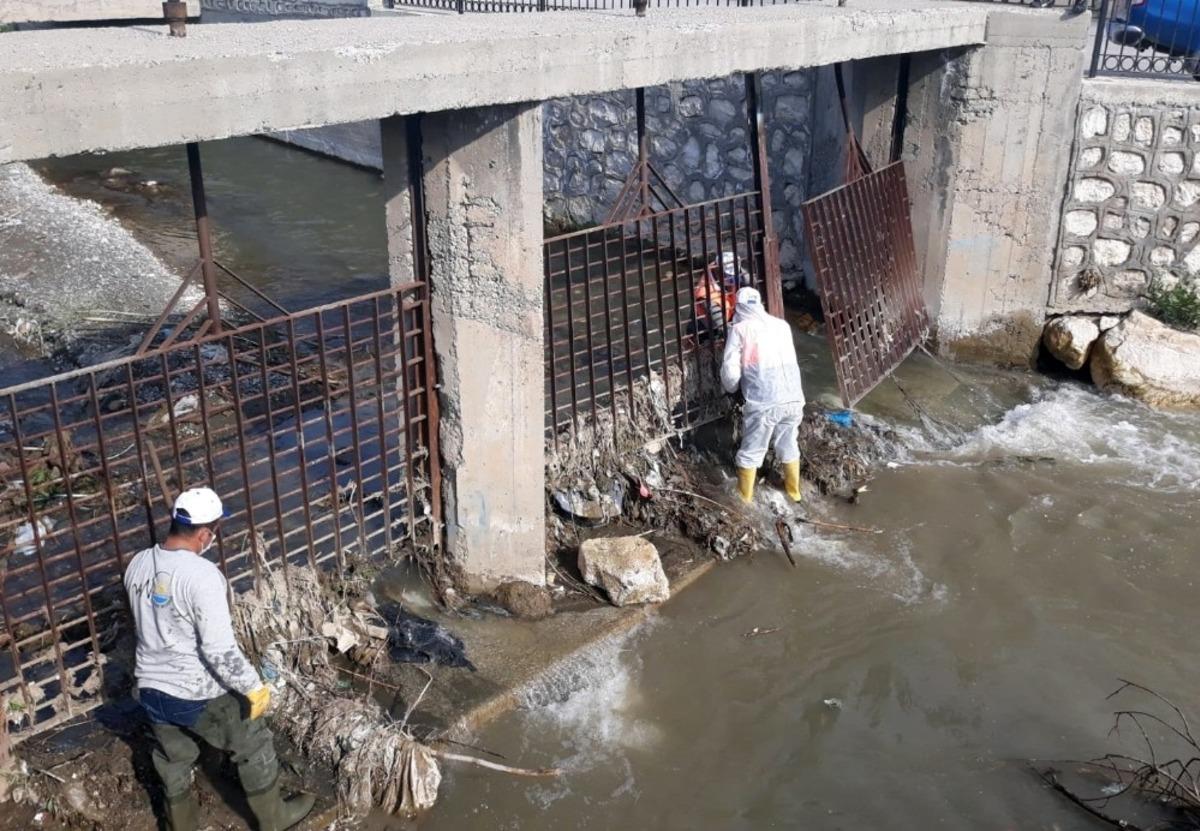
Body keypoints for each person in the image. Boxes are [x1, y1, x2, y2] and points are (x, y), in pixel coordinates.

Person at [124, 487, 315, 831]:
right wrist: (254, 688)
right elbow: (219, 651)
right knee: (253, 741)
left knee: (174, 760)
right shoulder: (203, 576)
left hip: (151, 689)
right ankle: (274, 820)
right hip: (193, 689)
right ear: (205, 533)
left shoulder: (138, 564)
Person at [720, 287, 806, 504]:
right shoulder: (782, 326)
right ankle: (795, 493)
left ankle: (744, 502)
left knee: (751, 451)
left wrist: (730, 389)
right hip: (794, 397)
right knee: (788, 443)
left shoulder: (740, 329)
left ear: (737, 306)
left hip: (765, 400)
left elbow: (730, 371)